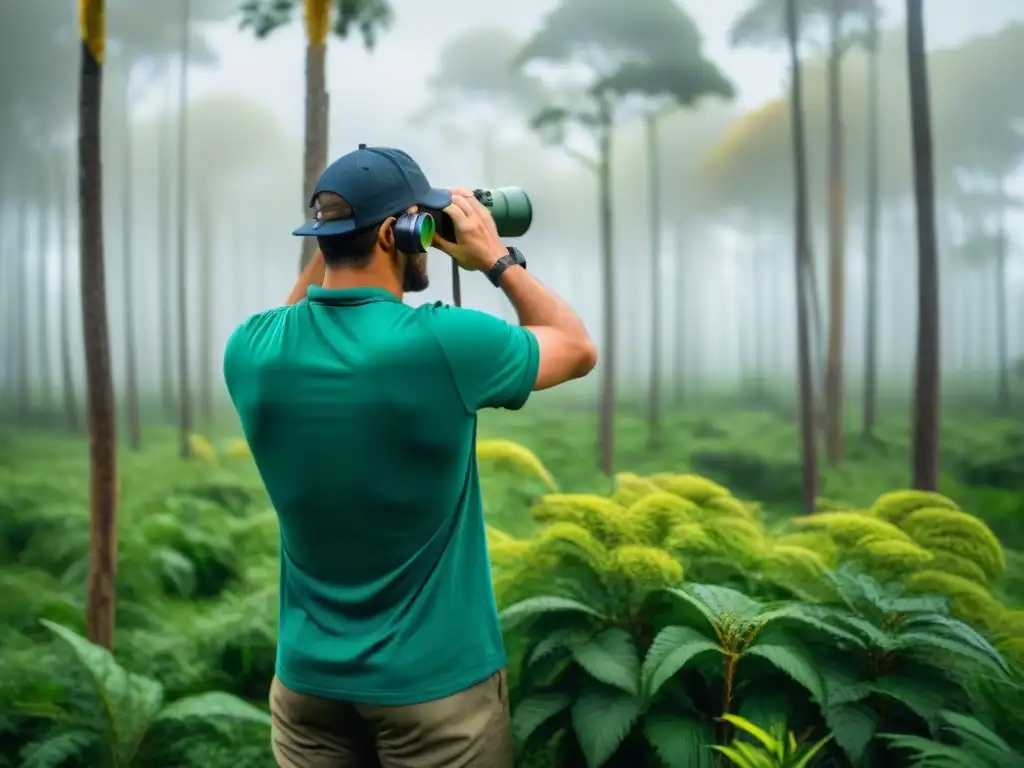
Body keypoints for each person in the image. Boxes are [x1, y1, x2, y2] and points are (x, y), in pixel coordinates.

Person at [222, 144, 597, 768]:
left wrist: (342, 232)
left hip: (307, 689)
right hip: (436, 693)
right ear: (400, 233)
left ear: (325, 238)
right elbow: (576, 347)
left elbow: (299, 311)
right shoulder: (444, 344)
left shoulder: (251, 350)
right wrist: (494, 258)